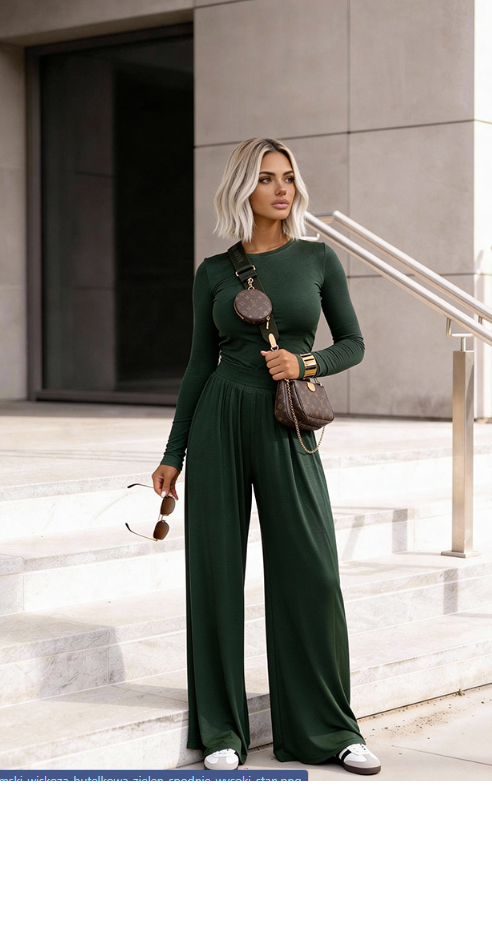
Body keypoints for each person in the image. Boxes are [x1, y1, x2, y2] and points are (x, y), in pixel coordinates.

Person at [150, 138, 381, 776]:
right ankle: (221, 731)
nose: (281, 189)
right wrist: (173, 453)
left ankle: (328, 730)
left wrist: (305, 363)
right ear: (242, 189)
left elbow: (354, 343)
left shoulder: (318, 258)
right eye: (265, 178)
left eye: (287, 178)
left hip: (287, 425)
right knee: (215, 577)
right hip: (220, 420)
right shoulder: (213, 272)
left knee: (313, 573)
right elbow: (198, 364)